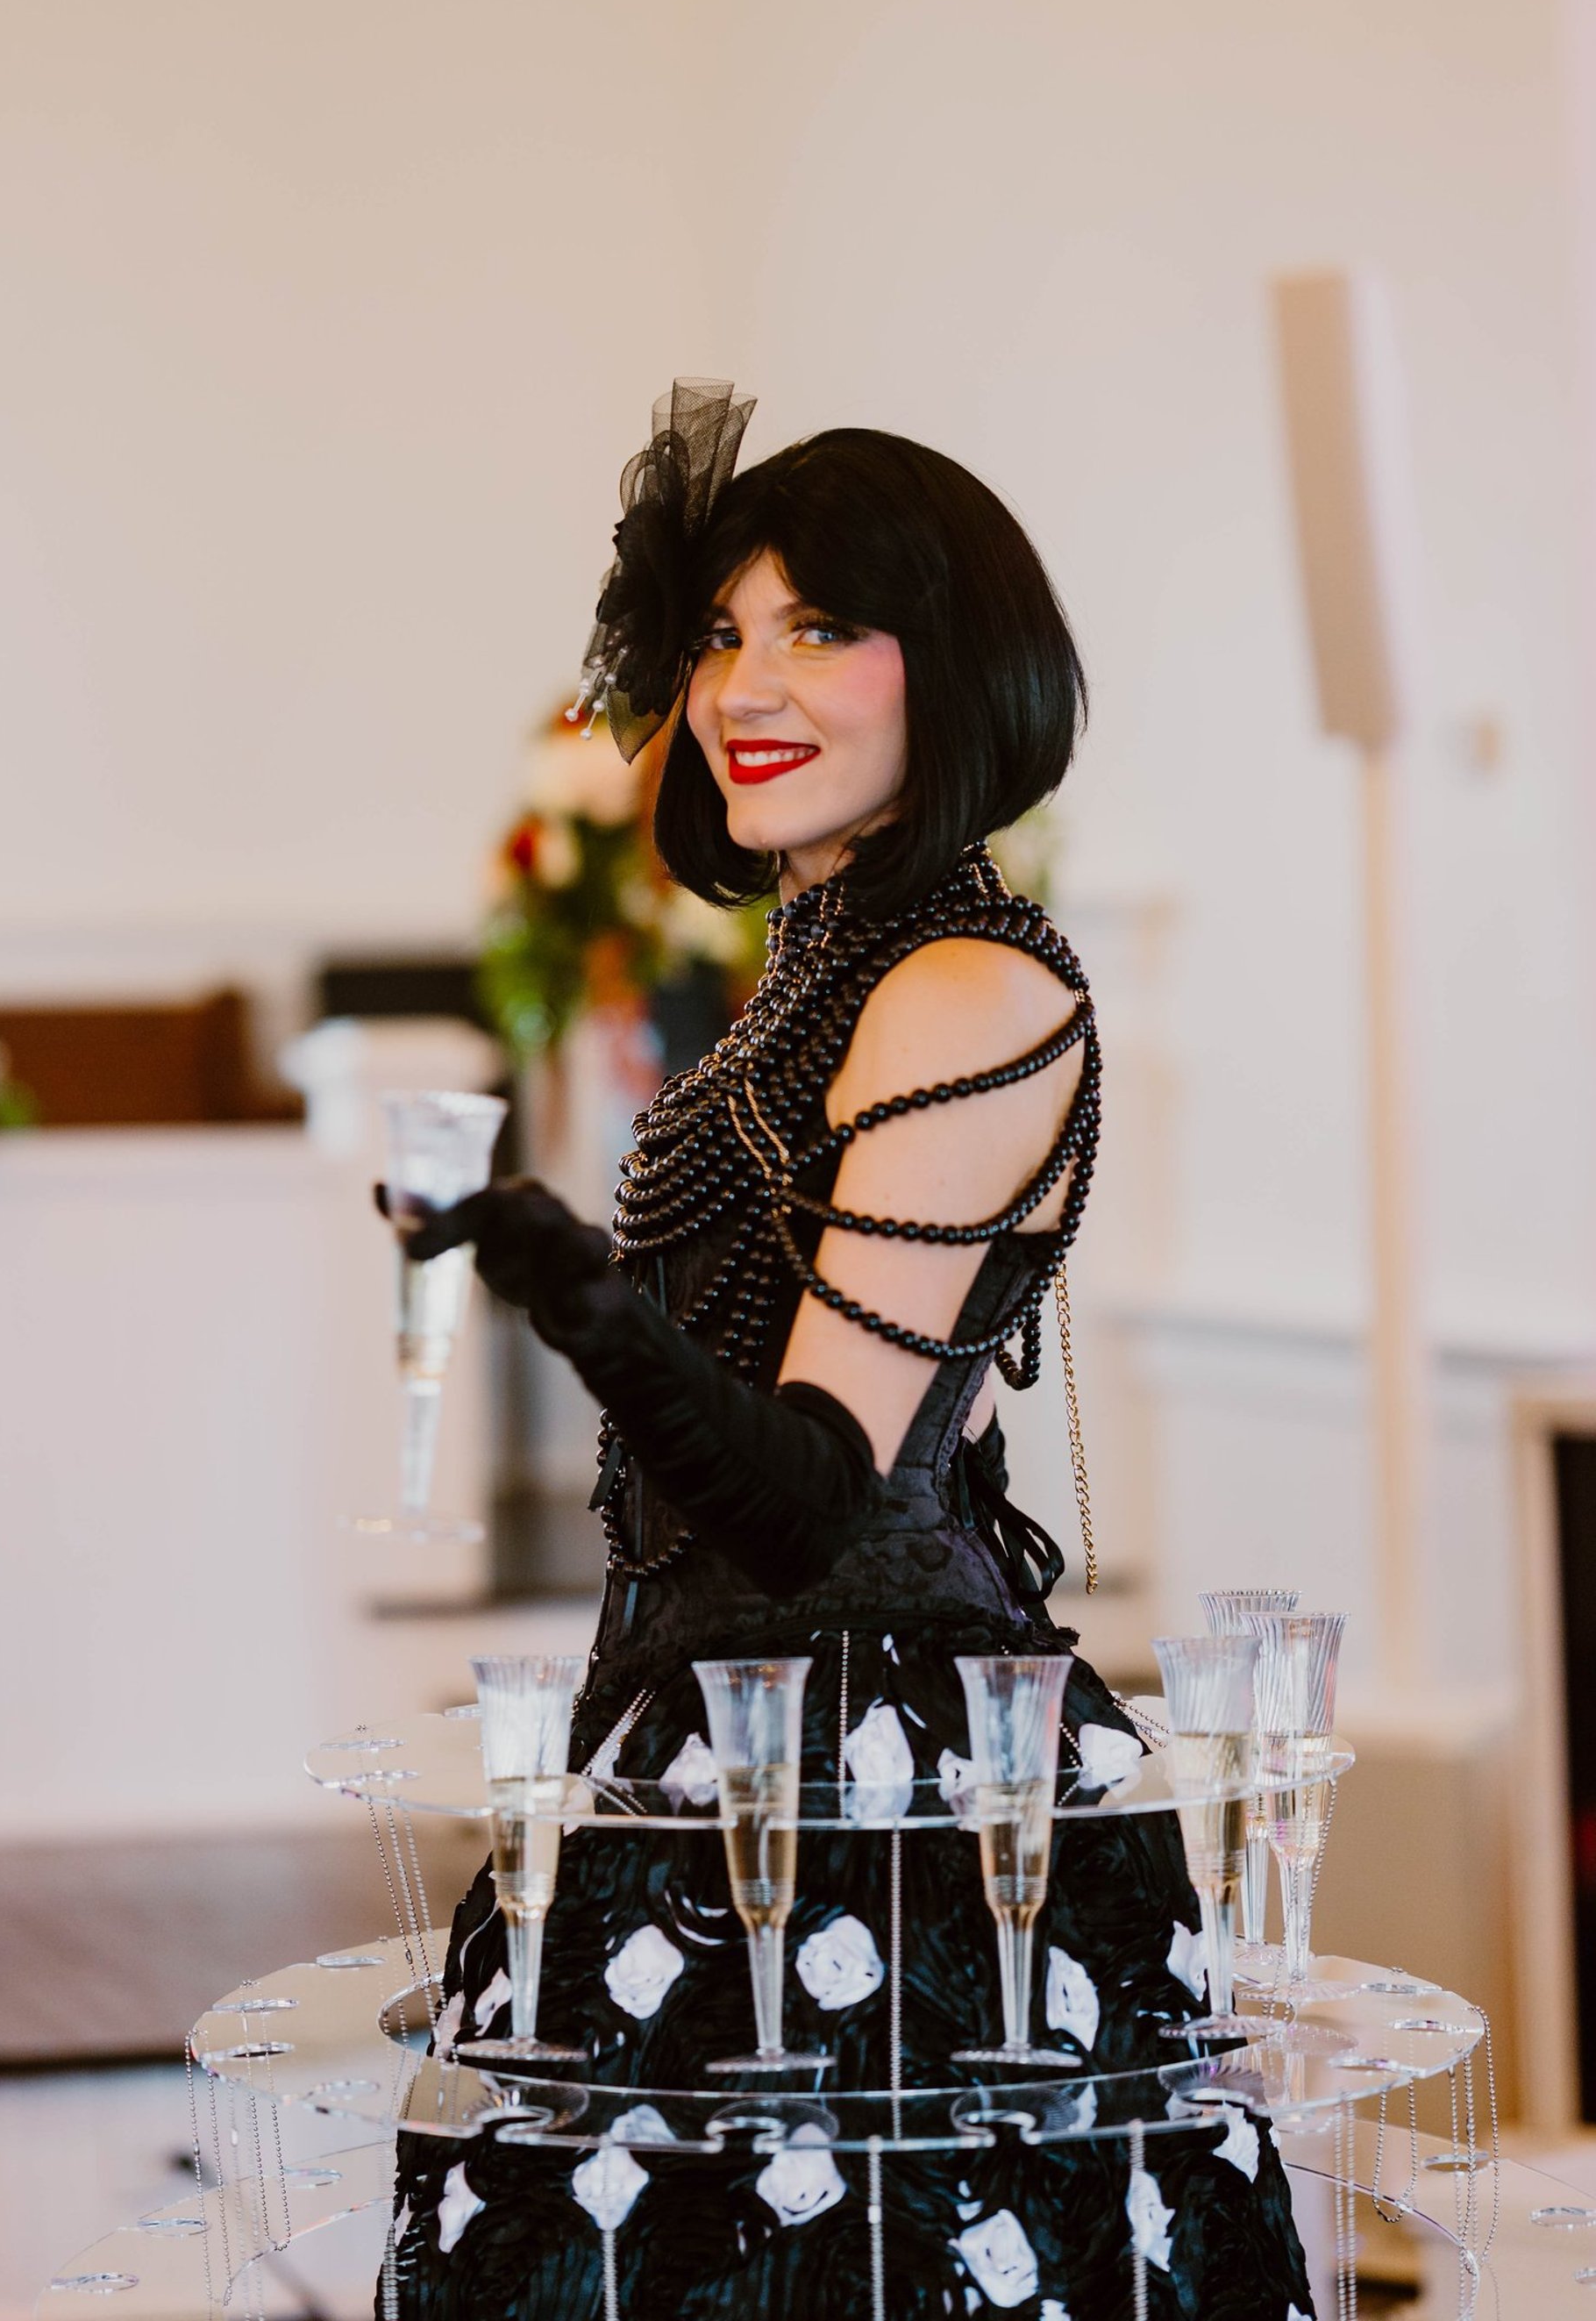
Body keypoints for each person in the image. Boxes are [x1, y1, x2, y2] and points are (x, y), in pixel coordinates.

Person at [383, 382, 1314, 2319]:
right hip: (719, 1717)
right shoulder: (822, 970)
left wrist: (555, 1267)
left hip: (872, 1767)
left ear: (953, 670)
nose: (748, 680)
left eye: (821, 627)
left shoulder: (967, 983)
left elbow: (814, 1494)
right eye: (723, 631)